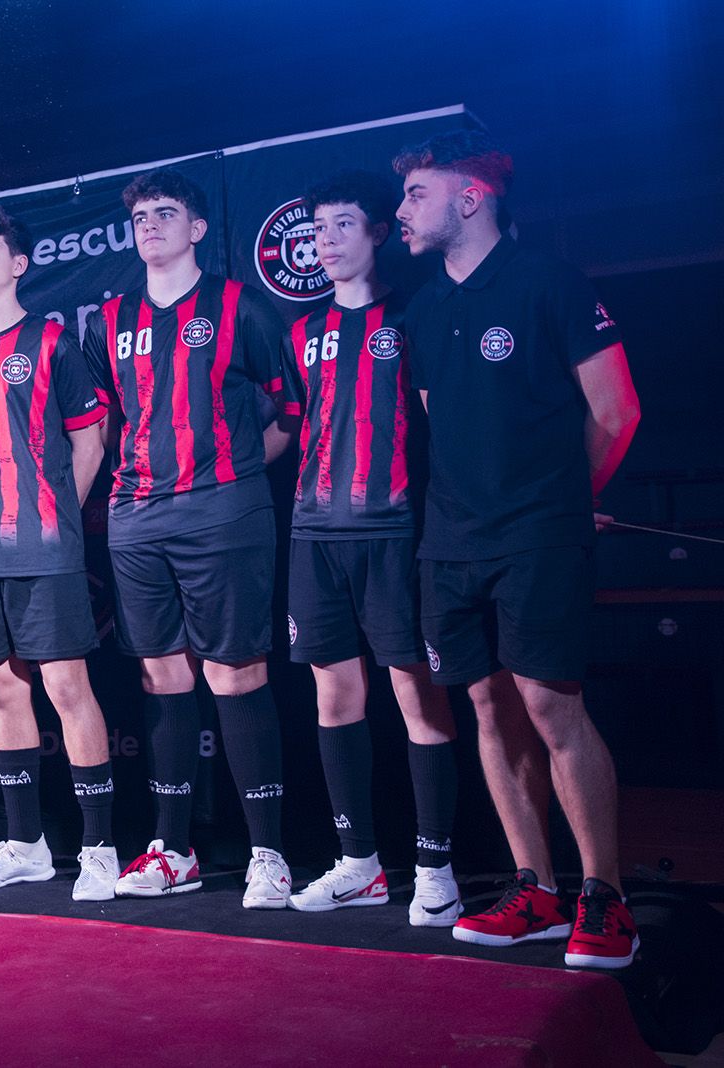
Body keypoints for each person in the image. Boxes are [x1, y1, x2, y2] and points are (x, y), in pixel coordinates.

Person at [396, 129, 642, 968]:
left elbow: (616, 412)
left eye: (416, 195)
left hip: (538, 537)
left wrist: (568, 506)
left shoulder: (550, 283)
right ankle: (535, 888)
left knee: (549, 707)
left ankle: (605, 897)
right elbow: (445, 422)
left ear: (470, 197)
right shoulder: (422, 309)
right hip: (450, 543)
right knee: (488, 711)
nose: (402, 212)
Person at [81, 169, 300, 908]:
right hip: (136, 519)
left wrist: (232, 472)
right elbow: (104, 423)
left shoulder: (242, 306)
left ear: (198, 228)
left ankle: (268, 852)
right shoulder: (108, 320)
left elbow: (289, 414)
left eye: (165, 212)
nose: (150, 225)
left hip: (224, 517)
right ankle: (172, 849)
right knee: (159, 678)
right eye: (140, 215)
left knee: (235, 675)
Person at [279, 171, 462, 925]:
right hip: (314, 534)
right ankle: (359, 864)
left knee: (418, 699)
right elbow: (298, 428)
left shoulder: (415, 316)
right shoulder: (301, 330)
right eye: (318, 229)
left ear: (379, 233)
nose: (326, 240)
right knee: (333, 697)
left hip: (394, 531)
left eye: (343, 225)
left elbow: (442, 426)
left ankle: (436, 867)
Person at [0, 205, 119, 902]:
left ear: (20, 264)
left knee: (67, 689)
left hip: (44, 547)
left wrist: (57, 513)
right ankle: (26, 845)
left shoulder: (51, 343)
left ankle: (99, 848)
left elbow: (90, 442)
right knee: (1, 689)